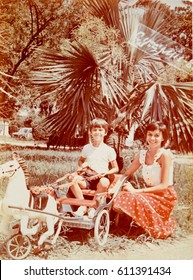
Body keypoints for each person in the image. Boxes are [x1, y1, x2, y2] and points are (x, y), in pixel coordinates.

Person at [111, 121, 178, 239]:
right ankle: (126, 225)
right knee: (119, 196)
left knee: (132, 196)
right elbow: (127, 173)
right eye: (150, 134)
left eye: (157, 135)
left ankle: (143, 226)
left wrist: (136, 191)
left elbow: (163, 186)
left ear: (163, 138)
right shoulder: (142, 154)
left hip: (164, 196)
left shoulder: (165, 155)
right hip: (149, 194)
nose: (152, 138)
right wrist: (115, 187)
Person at [66, 118, 119, 217]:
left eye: (100, 130)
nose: (97, 132)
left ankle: (93, 207)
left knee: (104, 182)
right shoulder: (87, 148)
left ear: (105, 133)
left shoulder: (109, 150)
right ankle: (83, 205)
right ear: (90, 132)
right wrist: (82, 166)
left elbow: (116, 168)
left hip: (101, 178)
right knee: (71, 178)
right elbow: (81, 160)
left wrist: (106, 173)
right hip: (88, 177)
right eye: (94, 130)